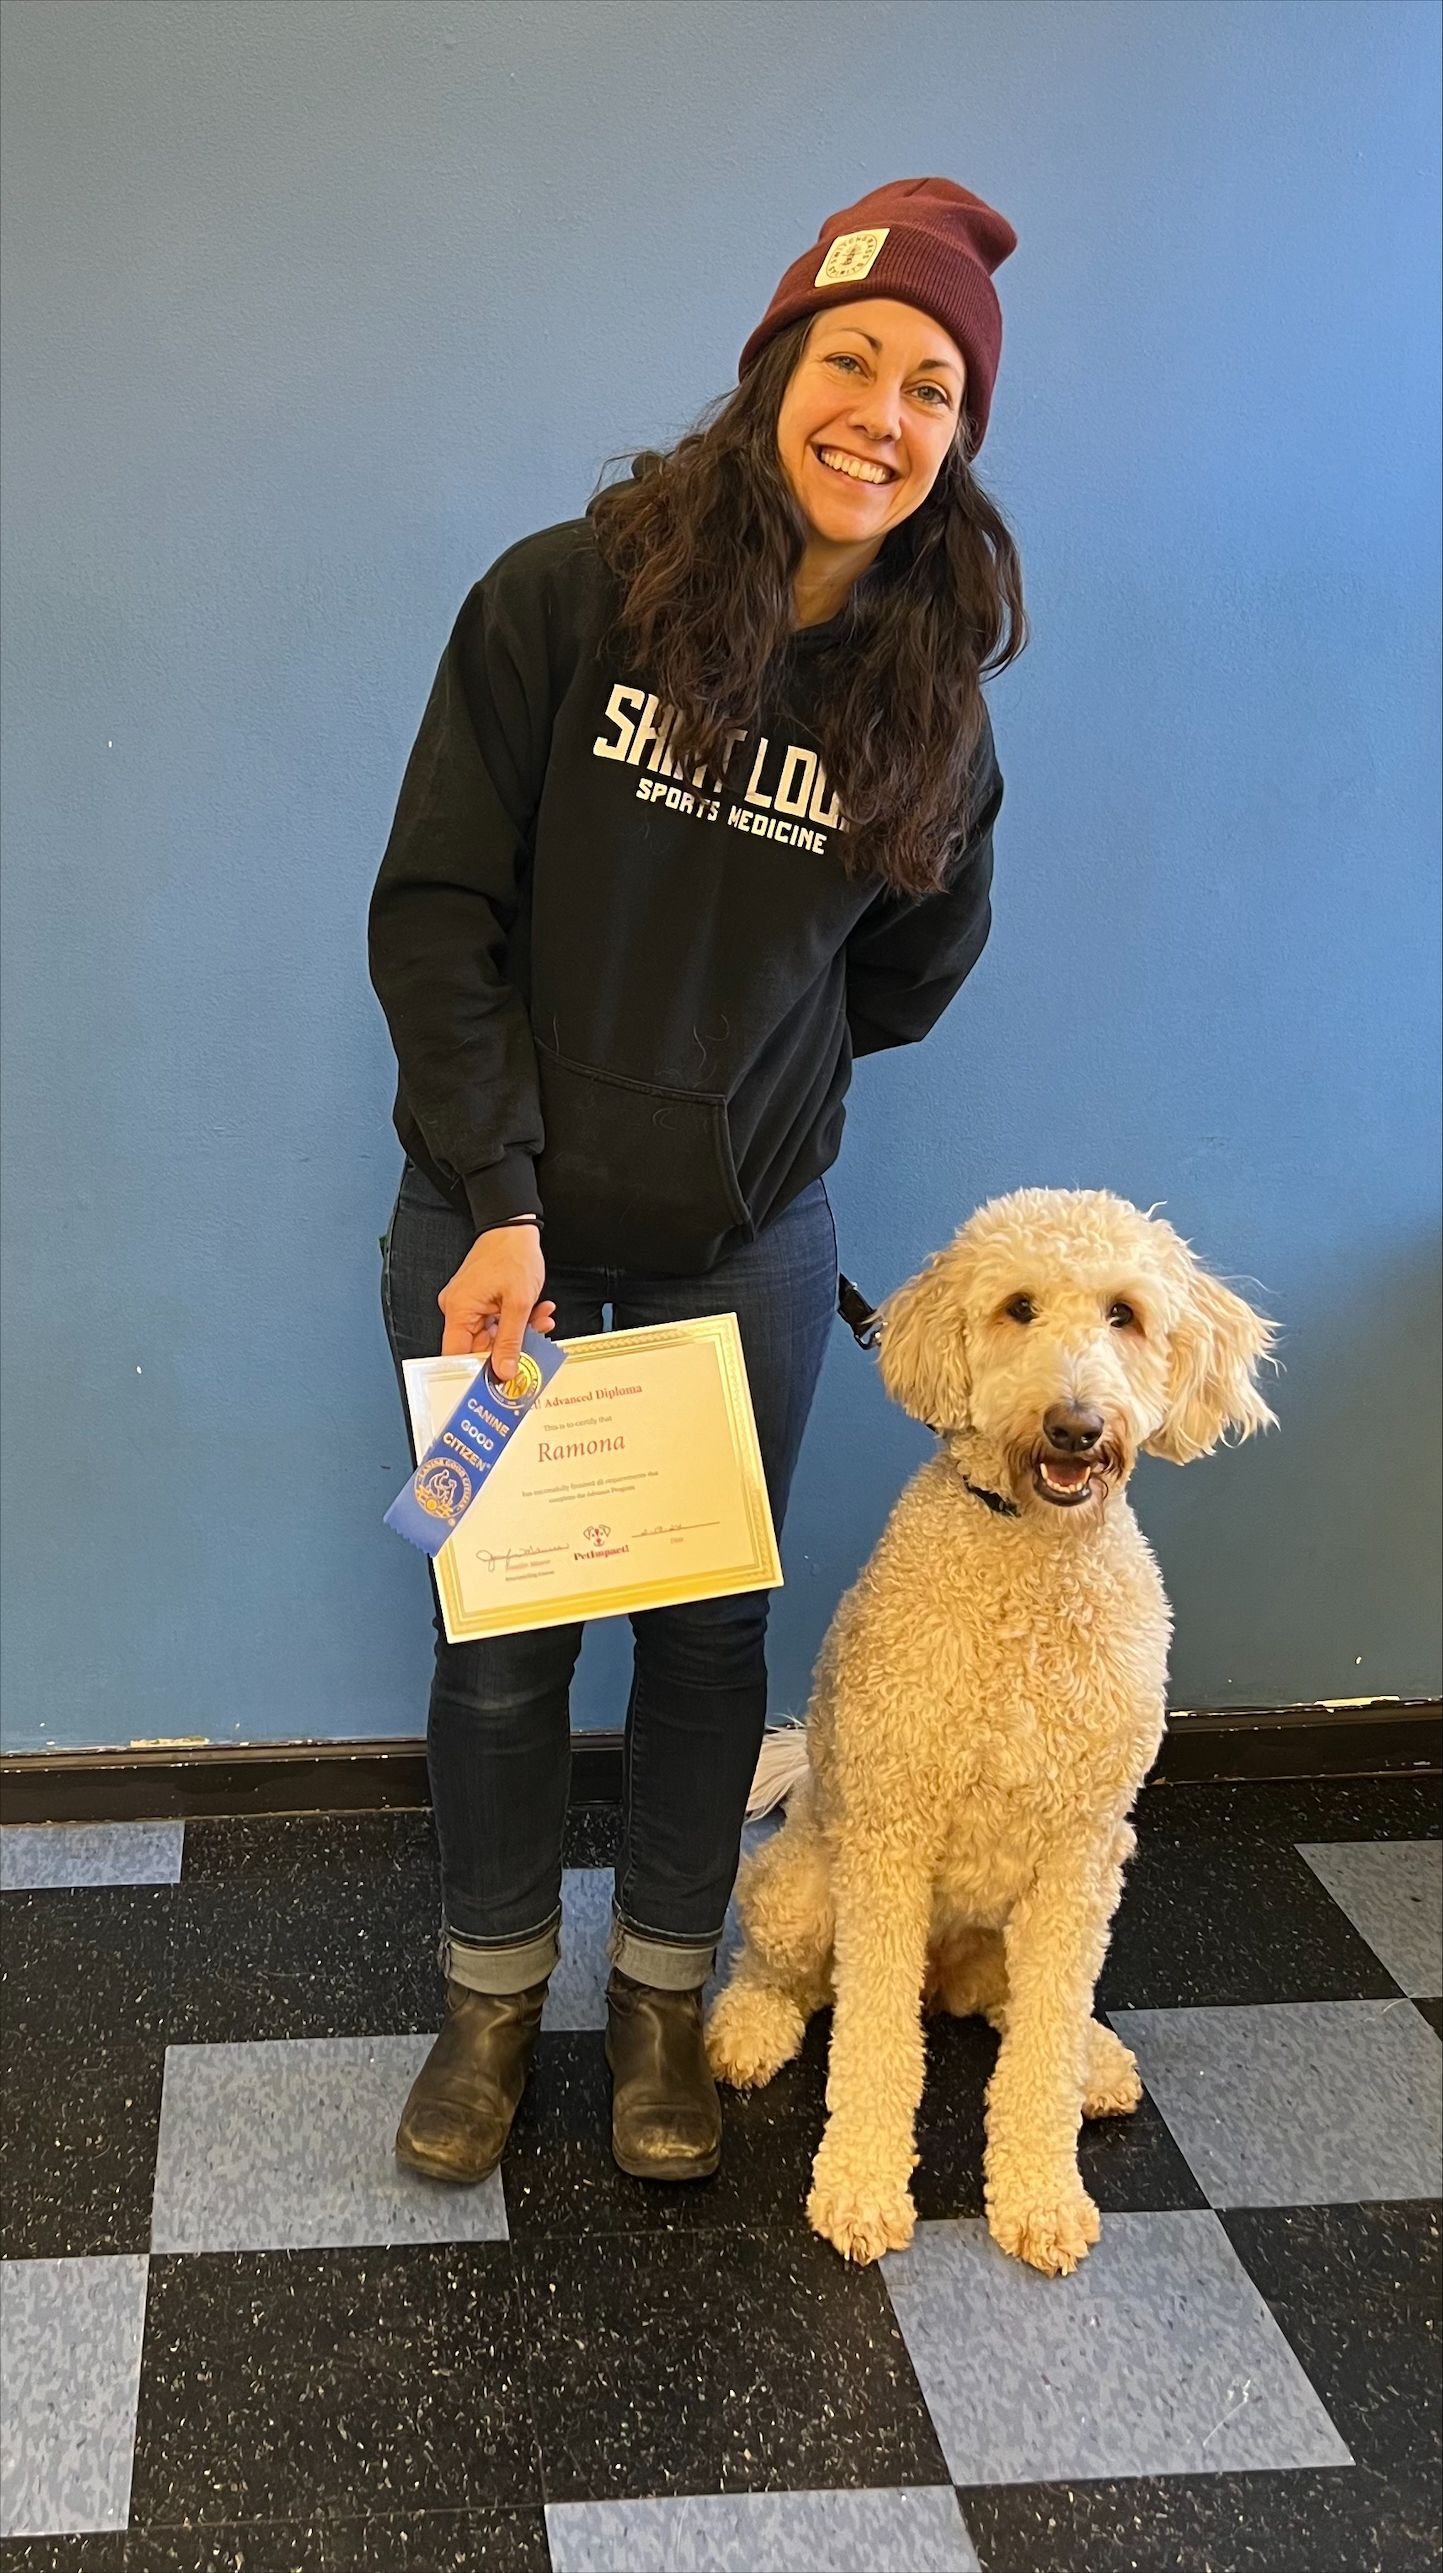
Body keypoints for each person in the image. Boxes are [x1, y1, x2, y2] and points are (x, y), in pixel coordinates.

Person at [369, 176, 1026, 2190]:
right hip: (498, 1250)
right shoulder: (563, 598)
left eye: (932, 389)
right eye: (852, 362)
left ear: (952, 444)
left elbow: (902, 980)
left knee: (708, 1640)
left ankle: (660, 1998)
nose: (881, 414)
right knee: (496, 1641)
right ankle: (491, 2006)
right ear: (771, 376)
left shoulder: (931, 713)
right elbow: (436, 913)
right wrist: (496, 1188)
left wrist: (744, 1108)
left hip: (745, 1258)